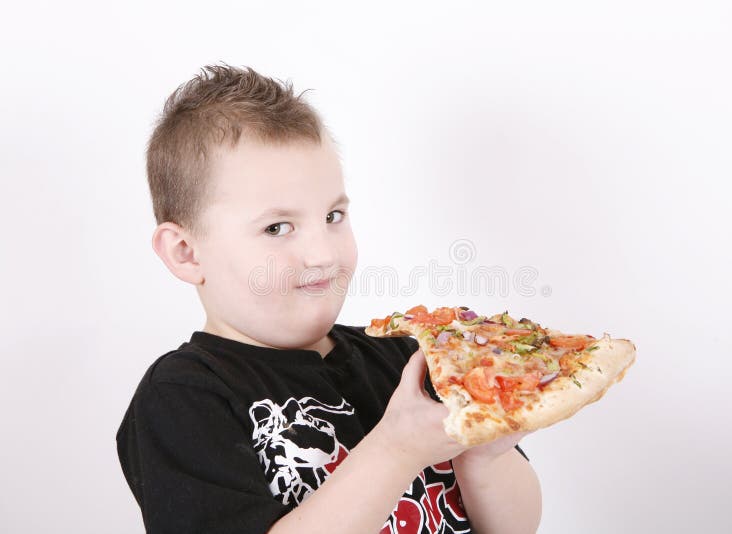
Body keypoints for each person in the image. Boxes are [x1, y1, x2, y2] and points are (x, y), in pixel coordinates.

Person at [116, 64, 542, 534]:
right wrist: (397, 449)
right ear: (186, 252)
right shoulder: (184, 397)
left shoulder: (408, 356)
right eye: (277, 227)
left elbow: (512, 528)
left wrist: (486, 453)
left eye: (333, 216)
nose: (321, 254)